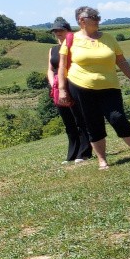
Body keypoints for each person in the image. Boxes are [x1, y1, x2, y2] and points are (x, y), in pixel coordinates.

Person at [55, 7, 130, 170]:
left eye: (98, 16)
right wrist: (63, 89)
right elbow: (62, 66)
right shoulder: (71, 39)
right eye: (93, 17)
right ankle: (102, 160)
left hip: (110, 86)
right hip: (80, 87)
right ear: (81, 20)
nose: (98, 19)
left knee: (118, 118)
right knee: (92, 123)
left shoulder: (108, 38)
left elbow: (121, 61)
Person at [46, 17, 91, 163]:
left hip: (75, 84)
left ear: (68, 31)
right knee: (68, 122)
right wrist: (54, 83)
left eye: (61, 30)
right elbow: (50, 69)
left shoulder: (75, 47)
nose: (58, 32)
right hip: (58, 89)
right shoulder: (52, 50)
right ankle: (72, 154)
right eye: (55, 30)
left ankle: (84, 152)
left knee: (80, 119)